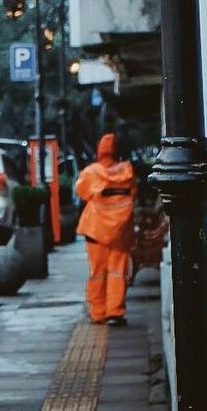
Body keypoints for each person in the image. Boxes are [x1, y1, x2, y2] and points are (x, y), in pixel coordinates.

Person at [75, 133, 137, 326]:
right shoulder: (127, 171)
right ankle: (115, 311)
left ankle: (98, 312)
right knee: (118, 272)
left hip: (96, 231)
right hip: (121, 231)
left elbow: (81, 192)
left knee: (98, 272)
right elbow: (134, 193)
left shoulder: (91, 172)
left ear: (99, 150)